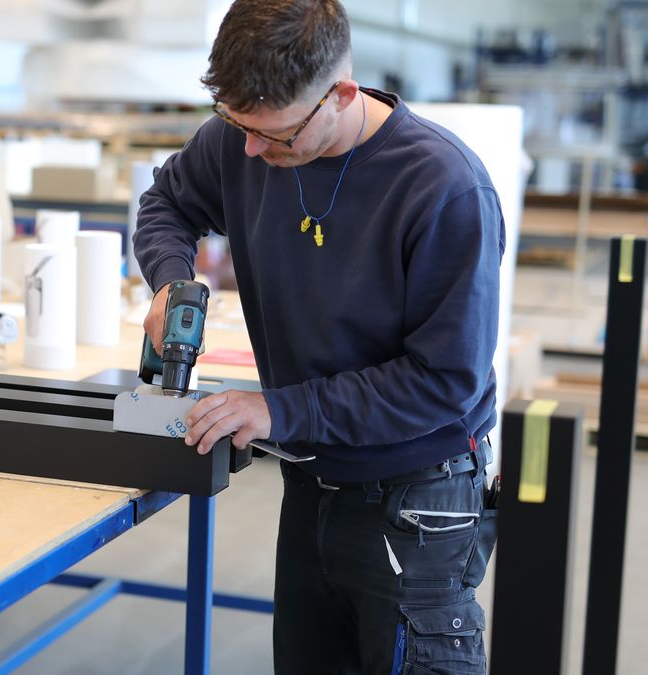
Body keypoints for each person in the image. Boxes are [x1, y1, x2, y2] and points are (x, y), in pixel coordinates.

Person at [133, 1, 505, 673]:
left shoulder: (442, 187)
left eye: (272, 135)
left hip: (416, 502)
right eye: (236, 124)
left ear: (340, 94)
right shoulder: (243, 136)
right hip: (312, 482)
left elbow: (446, 382)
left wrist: (280, 408)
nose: (248, 150)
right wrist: (168, 280)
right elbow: (168, 202)